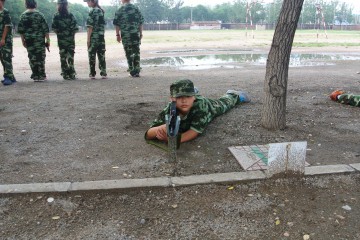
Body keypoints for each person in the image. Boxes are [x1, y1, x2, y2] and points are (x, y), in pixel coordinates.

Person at [145, 79, 251, 143]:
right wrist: (161, 129)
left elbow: (193, 132)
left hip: (208, 106)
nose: (184, 100)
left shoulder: (201, 106)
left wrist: (172, 140)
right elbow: (148, 133)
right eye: (179, 97)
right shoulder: (170, 108)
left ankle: (234, 95)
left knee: (223, 105)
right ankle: (192, 90)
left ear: (193, 97)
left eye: (188, 96)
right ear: (172, 99)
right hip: (191, 102)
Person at [18, 0, 50, 82]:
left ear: (26, 5)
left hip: (29, 40)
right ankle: (42, 75)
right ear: (35, 4)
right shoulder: (39, 15)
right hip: (39, 40)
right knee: (40, 57)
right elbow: (45, 29)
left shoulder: (23, 16)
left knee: (32, 57)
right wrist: (48, 40)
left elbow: (21, 31)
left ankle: (35, 75)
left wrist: (23, 41)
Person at [113, 0, 144, 77]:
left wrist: (117, 35)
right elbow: (140, 22)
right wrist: (140, 33)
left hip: (126, 35)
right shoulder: (136, 8)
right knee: (136, 52)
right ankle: (137, 70)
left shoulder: (119, 9)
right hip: (135, 34)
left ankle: (131, 70)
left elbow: (117, 24)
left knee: (128, 52)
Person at [51, 0, 79, 80]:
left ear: (58, 5)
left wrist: (60, 34)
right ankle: (72, 74)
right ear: (67, 5)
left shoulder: (56, 15)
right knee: (71, 57)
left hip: (61, 40)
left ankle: (65, 74)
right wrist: (70, 34)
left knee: (63, 57)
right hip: (70, 40)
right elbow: (75, 28)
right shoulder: (70, 15)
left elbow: (54, 28)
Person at [84, 0, 107, 79]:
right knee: (101, 55)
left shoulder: (92, 11)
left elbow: (90, 26)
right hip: (101, 37)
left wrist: (88, 39)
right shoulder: (101, 11)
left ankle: (92, 73)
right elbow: (103, 26)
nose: (87, 3)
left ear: (92, 1)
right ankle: (103, 73)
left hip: (94, 37)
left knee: (92, 55)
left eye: (87, 2)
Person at [0, 0, 16, 86]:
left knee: (6, 58)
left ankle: (8, 77)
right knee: (2, 59)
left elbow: (7, 26)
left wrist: (3, 39)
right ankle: (10, 76)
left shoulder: (5, 12)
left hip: (6, 40)